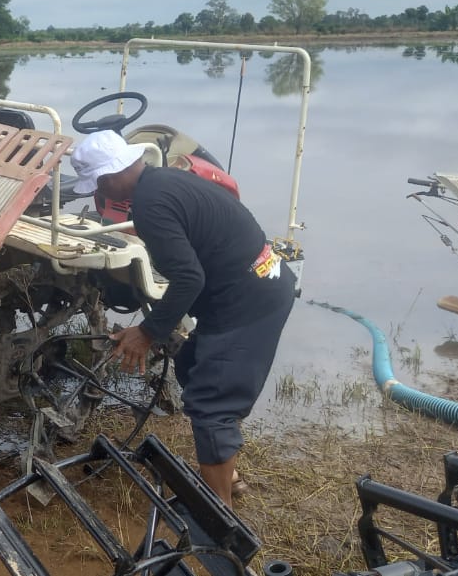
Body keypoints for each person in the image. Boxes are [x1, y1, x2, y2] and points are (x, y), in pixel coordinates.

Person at [70, 129, 297, 507]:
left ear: (109, 178)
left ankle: (220, 519)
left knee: (212, 405)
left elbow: (190, 278)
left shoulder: (150, 206)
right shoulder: (163, 180)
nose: (100, 195)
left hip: (250, 300)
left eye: (97, 186)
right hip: (258, 281)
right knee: (192, 364)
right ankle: (230, 474)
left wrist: (146, 332)